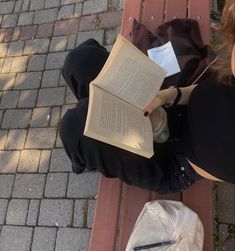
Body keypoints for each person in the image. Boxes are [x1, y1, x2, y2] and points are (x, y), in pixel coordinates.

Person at [59, 0, 235, 194]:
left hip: (175, 161)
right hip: (170, 109)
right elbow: (206, 91)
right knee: (80, 61)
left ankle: (82, 157)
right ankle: (94, 135)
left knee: (76, 127)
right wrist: (170, 95)